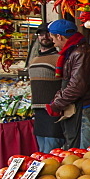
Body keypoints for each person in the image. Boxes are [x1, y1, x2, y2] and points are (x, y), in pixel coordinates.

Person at [46, 19, 90, 149]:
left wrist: (57, 105)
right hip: (83, 109)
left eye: (53, 38)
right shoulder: (76, 51)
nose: (53, 41)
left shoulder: (80, 53)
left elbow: (76, 86)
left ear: (59, 36)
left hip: (85, 111)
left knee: (82, 154)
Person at [27, 24, 64, 153]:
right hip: (38, 112)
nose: (45, 37)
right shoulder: (34, 60)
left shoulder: (60, 58)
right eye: (41, 34)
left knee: (53, 151)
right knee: (41, 152)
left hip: (53, 111)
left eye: (48, 34)